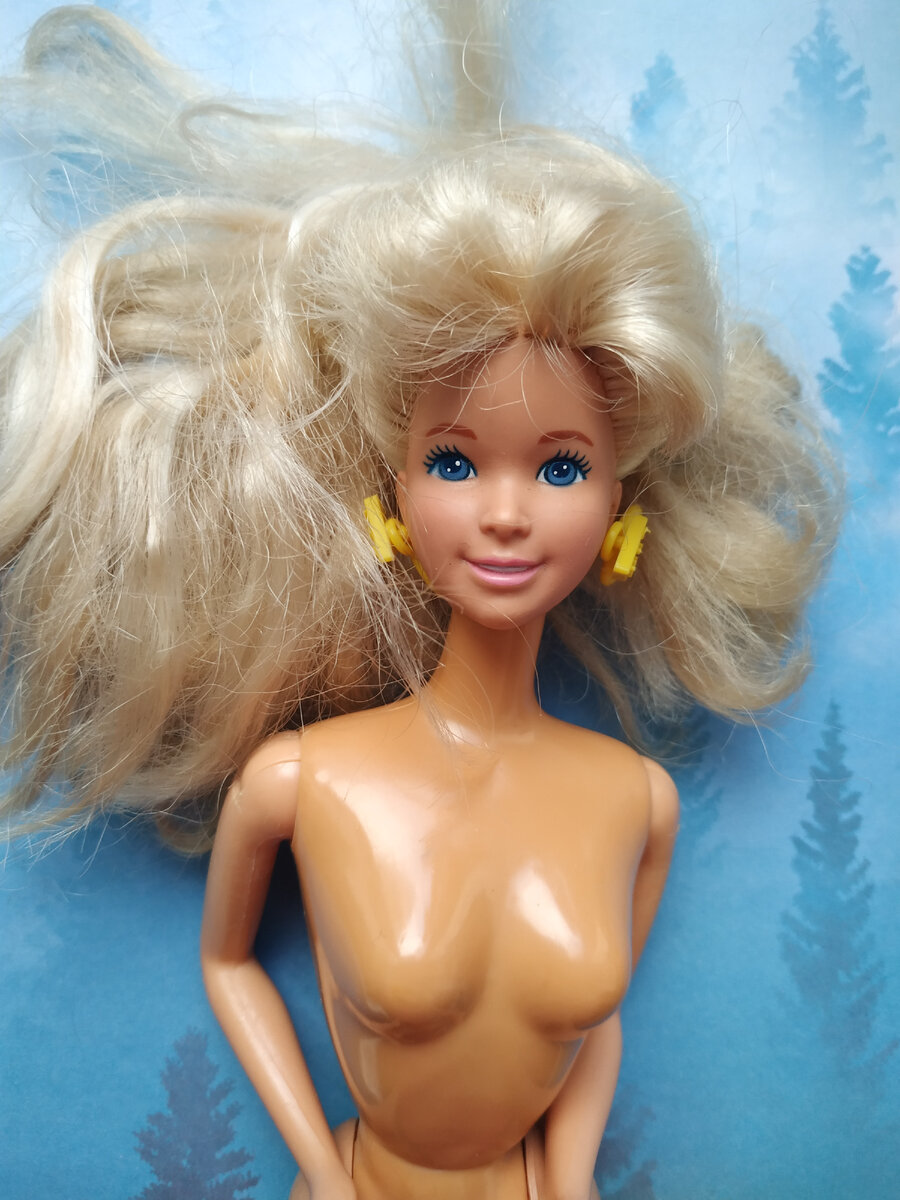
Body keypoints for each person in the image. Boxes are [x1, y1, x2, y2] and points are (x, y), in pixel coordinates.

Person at [0, 5, 837, 1197]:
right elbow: (229, 965)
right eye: (454, 461)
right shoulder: (302, 781)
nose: (506, 514)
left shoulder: (637, 804)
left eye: (560, 469)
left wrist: (571, 1181)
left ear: (623, 502)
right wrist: (324, 1170)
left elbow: (592, 1028)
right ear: (393, 490)